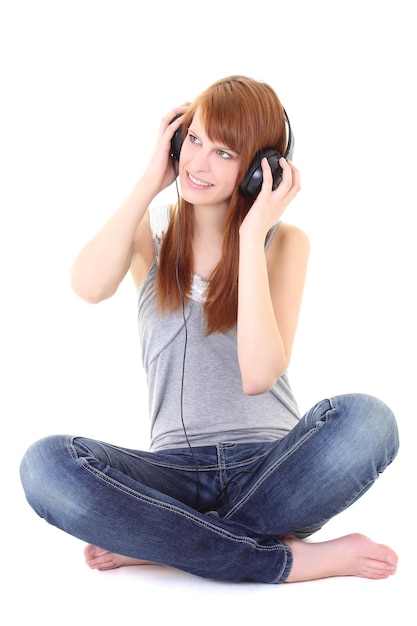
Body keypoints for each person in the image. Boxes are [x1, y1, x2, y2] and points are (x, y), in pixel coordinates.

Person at [20, 75, 399, 584]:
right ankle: (283, 559)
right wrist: (149, 180)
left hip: (274, 469)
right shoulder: (150, 234)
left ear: (258, 170)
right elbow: (87, 286)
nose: (198, 163)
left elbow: (258, 375)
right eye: (194, 140)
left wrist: (250, 234)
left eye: (224, 153)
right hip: (172, 473)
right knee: (45, 466)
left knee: (370, 420)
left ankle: (165, 541)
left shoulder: (282, 243)